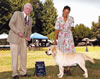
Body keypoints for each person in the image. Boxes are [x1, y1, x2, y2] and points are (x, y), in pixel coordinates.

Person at [7, 3, 33, 79]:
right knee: (15, 57)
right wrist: (18, 32)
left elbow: (29, 30)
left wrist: (28, 37)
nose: (28, 9)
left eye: (30, 9)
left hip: (24, 40)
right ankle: (15, 74)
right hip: (14, 38)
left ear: (31, 10)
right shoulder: (17, 14)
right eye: (27, 8)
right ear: (24, 8)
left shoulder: (30, 19)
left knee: (23, 56)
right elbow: (11, 24)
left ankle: (23, 72)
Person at [53, 5, 75, 76]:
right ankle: (62, 69)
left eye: (67, 12)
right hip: (61, 37)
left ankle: (68, 69)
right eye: (65, 12)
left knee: (69, 53)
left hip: (69, 38)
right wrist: (55, 39)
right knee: (61, 53)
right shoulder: (59, 19)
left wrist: (69, 31)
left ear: (69, 12)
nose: (66, 14)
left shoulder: (71, 19)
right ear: (63, 11)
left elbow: (72, 27)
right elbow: (56, 30)